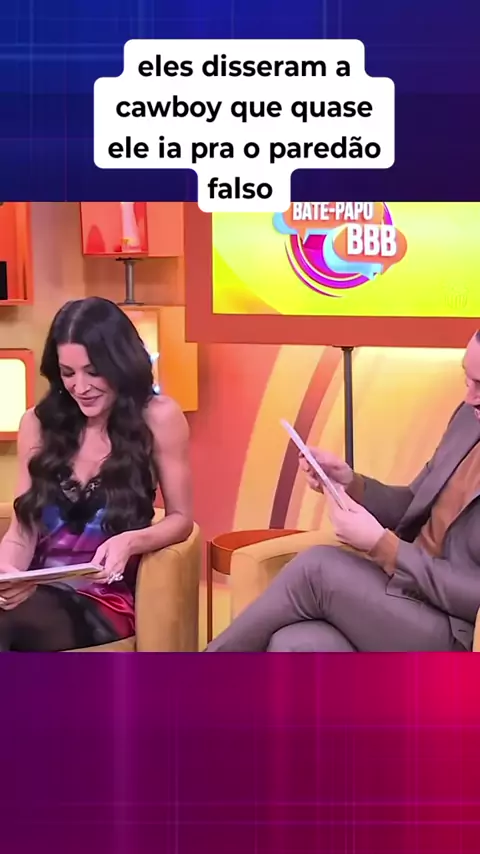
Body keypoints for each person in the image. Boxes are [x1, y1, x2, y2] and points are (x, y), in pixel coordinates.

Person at [207, 333, 480, 653]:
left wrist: (384, 547)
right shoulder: (469, 420)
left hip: (457, 629)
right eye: (467, 379)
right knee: (296, 644)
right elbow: (414, 504)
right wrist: (350, 483)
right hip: (403, 592)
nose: (469, 397)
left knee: (317, 568)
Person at [0, 297, 193, 651]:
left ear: (120, 363)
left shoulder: (159, 417)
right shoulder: (37, 423)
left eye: (93, 371)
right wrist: (8, 574)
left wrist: (130, 541)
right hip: (38, 592)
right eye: (68, 373)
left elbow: (181, 519)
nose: (80, 387)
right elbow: (22, 527)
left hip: (104, 598)